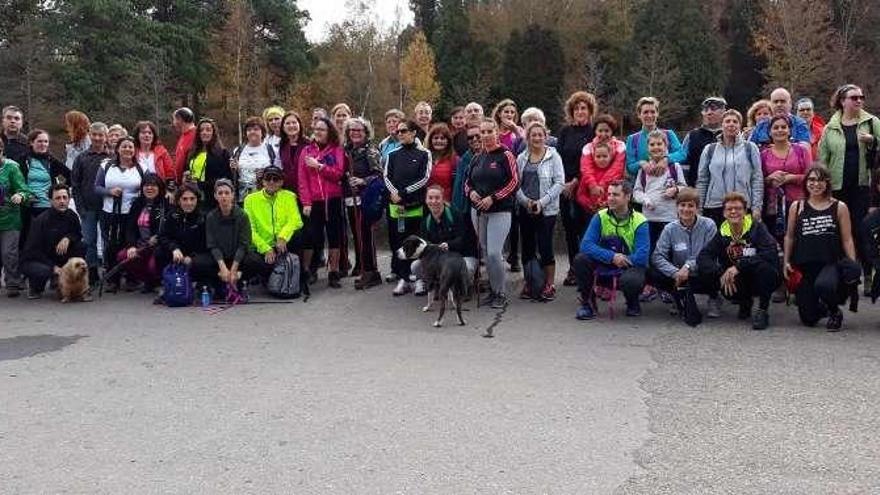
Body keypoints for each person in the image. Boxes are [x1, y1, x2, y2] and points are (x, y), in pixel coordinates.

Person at [784, 166, 858, 331]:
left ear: (827, 183)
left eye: (820, 180)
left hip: (831, 264)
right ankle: (822, 305)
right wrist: (786, 261)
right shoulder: (796, 207)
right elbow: (789, 236)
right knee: (808, 318)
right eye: (811, 179)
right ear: (806, 182)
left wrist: (852, 265)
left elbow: (847, 239)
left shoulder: (839, 207)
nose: (815, 184)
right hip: (806, 266)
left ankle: (834, 312)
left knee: (824, 285)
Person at [818, 84, 880, 273]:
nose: (859, 101)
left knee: (863, 231)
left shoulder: (872, 122)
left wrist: (874, 141)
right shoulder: (830, 128)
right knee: (839, 231)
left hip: (863, 187)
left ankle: (868, 273)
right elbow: (822, 160)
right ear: (842, 101)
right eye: (854, 98)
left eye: (861, 97)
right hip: (837, 187)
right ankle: (844, 273)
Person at [696, 192, 781, 330]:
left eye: (738, 208)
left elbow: (770, 253)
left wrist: (739, 266)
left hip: (762, 275)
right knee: (724, 280)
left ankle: (763, 310)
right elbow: (703, 256)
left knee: (765, 269)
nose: (734, 212)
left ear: (745, 211)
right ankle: (744, 301)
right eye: (729, 209)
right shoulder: (722, 233)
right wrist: (721, 272)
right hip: (740, 278)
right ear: (724, 213)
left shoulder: (757, 228)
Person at [573, 180, 649, 320]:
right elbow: (586, 245)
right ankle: (588, 303)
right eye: (608, 194)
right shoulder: (600, 216)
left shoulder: (640, 220)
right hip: (606, 261)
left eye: (616, 194)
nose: (610, 198)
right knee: (581, 260)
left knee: (632, 280)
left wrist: (623, 260)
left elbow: (642, 256)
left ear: (628, 197)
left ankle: (632, 301)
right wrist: (612, 257)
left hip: (628, 265)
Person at [465, 118, 519, 308]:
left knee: (496, 253)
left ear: (497, 132)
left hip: (500, 210)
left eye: (490, 131)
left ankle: (501, 292)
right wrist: (471, 193)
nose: (486, 136)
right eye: (483, 132)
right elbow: (467, 181)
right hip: (478, 211)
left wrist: (493, 198)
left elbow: (514, 182)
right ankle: (493, 290)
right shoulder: (477, 157)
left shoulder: (506, 155)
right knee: (486, 252)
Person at [650, 187, 721, 319]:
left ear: (697, 208)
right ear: (677, 207)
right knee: (655, 272)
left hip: (701, 271)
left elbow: (709, 254)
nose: (686, 209)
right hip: (679, 275)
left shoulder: (709, 225)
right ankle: (678, 297)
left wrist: (688, 266)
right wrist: (674, 272)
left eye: (690, 205)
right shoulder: (669, 229)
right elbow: (658, 256)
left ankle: (713, 297)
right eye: (682, 205)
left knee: (713, 267)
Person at [515, 122, 564, 300]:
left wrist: (541, 203)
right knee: (527, 248)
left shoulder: (554, 156)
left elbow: (559, 183)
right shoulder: (521, 158)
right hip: (525, 208)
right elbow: (516, 184)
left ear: (546, 136)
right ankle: (530, 282)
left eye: (540, 135)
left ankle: (549, 284)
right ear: (527, 138)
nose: (537, 138)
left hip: (547, 210)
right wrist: (526, 202)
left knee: (545, 248)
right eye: (533, 135)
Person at [298, 117, 346, 288]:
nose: (318, 132)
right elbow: (302, 179)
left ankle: (333, 271)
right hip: (314, 201)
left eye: (322, 129)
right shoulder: (306, 151)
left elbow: (338, 174)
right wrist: (306, 202)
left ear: (329, 131)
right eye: (316, 128)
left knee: (334, 236)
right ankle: (308, 270)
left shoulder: (336, 150)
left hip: (332, 199)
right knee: (311, 236)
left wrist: (319, 166)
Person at [385, 120, 431, 295]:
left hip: (416, 206)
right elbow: (386, 176)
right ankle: (404, 279)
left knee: (417, 244)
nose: (400, 134)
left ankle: (419, 279)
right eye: (398, 132)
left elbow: (424, 178)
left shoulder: (424, 154)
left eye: (403, 131)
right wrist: (394, 193)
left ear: (413, 132)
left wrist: (403, 193)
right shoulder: (392, 154)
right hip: (397, 208)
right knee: (399, 244)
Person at [556, 91, 598, 285]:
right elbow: (558, 158)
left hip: (587, 188)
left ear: (590, 111)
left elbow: (595, 162)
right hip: (565, 188)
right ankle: (573, 268)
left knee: (587, 230)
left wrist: (576, 181)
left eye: (584, 108)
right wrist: (564, 182)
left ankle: (589, 269)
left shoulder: (594, 132)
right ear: (571, 112)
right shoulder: (565, 132)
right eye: (576, 108)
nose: (580, 111)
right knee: (570, 230)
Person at [195, 178, 264, 294]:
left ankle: (240, 278)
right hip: (219, 259)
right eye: (220, 193)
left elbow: (243, 245)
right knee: (198, 262)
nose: (224, 196)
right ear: (215, 196)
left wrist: (234, 269)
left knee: (256, 261)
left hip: (238, 258)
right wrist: (222, 268)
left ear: (232, 195)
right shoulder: (211, 217)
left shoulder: (242, 216)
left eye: (227, 193)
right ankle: (219, 278)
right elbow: (212, 245)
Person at [696, 109, 763, 225]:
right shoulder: (709, 149)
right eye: (727, 121)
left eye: (735, 121)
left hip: (742, 206)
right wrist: (699, 208)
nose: (731, 124)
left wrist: (757, 207)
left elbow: (757, 179)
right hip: (714, 206)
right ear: (722, 125)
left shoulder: (750, 148)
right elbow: (702, 180)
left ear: (740, 125)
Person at [94, 136, 143, 293]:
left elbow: (148, 186)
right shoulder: (106, 165)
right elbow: (96, 187)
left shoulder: (141, 167)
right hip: (110, 212)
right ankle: (112, 279)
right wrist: (109, 192)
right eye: (124, 146)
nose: (127, 149)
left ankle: (131, 278)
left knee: (130, 244)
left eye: (130, 146)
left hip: (131, 213)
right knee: (110, 246)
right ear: (118, 149)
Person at [20, 184, 87, 299]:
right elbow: (33, 251)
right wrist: (53, 267)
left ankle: (72, 286)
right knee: (43, 270)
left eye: (65, 197)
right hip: (38, 258)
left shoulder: (72, 216)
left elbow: (78, 234)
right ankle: (35, 287)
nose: (62, 201)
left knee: (81, 247)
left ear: (69, 199)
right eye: (57, 198)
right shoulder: (41, 220)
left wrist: (68, 238)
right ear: (50, 200)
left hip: (59, 255)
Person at [242, 165, 305, 283]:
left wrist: (283, 237)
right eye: (268, 178)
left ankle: (294, 273)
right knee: (248, 259)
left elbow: (296, 220)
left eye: (275, 179)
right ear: (263, 181)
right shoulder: (250, 200)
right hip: (263, 247)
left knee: (299, 234)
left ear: (281, 182)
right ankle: (268, 275)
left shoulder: (289, 196)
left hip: (283, 245)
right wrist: (266, 249)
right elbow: (249, 229)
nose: (271, 182)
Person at [343, 117, 383, 290]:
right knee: (357, 234)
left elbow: (379, 174)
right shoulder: (347, 149)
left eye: (359, 130)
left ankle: (372, 271)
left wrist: (362, 180)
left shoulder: (370, 150)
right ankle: (363, 268)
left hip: (366, 198)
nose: (355, 133)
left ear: (366, 132)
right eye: (352, 130)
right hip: (350, 198)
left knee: (366, 235)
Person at [633, 130, 687, 251]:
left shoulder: (674, 167)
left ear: (665, 146)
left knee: (669, 249)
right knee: (651, 249)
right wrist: (645, 199)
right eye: (652, 144)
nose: (656, 147)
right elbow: (636, 192)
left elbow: (684, 187)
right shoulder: (644, 170)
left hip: (670, 217)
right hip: (649, 218)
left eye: (659, 144)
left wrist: (675, 189)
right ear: (647, 148)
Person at [71, 122, 111, 283]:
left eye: (101, 135)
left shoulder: (111, 158)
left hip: (107, 206)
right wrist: (80, 207)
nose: (97, 138)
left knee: (108, 240)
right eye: (94, 134)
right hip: (87, 207)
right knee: (89, 241)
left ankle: (109, 270)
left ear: (105, 137)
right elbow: (75, 184)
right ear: (89, 135)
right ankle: (92, 270)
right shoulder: (81, 158)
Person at [760, 115, 811, 239]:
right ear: (770, 132)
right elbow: (759, 181)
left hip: (799, 204)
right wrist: (770, 178)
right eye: (775, 127)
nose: (780, 130)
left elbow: (811, 178)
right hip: (774, 208)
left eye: (784, 127)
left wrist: (791, 178)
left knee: (799, 239)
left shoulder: (801, 151)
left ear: (789, 130)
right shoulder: (763, 155)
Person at [415, 184, 478, 284]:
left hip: (463, 256)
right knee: (415, 267)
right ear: (426, 200)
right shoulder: (425, 222)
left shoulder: (456, 215)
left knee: (468, 269)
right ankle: (440, 283)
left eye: (437, 198)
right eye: (430, 198)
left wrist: (449, 245)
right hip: (440, 258)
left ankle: (461, 284)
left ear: (443, 199)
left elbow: (464, 240)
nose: (434, 201)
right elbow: (425, 245)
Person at [117, 174, 169, 292]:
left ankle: (157, 280)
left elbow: (169, 228)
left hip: (157, 247)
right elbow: (130, 228)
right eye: (146, 185)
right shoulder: (137, 204)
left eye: (153, 185)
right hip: (141, 246)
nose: (149, 188)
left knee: (153, 265)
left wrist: (157, 238)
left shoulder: (165, 205)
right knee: (123, 256)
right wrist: (131, 246)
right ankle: (146, 281)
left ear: (160, 187)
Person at [157, 183, 210, 291]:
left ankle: (200, 283)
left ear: (197, 199)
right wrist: (174, 248)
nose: (188, 203)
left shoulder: (205, 217)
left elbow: (208, 244)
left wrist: (192, 257)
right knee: (159, 252)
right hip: (178, 254)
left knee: (204, 262)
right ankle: (167, 283)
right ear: (179, 200)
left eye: (192, 199)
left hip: (198, 256)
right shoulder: (172, 215)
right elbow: (163, 237)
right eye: (184, 199)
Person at [576, 114, 626, 218]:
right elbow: (586, 169)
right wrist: (593, 186)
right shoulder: (588, 148)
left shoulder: (620, 146)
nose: (603, 134)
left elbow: (617, 169)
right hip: (592, 199)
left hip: (612, 199)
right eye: (600, 131)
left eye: (607, 131)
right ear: (595, 131)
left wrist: (601, 186)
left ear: (612, 131)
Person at [0, 138, 32, 297]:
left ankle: (12, 282)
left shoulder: (11, 167)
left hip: (9, 218)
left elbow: (25, 190)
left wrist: (20, 195)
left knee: (8, 253)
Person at [625, 97, 683, 178]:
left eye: (652, 112)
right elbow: (629, 166)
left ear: (657, 113)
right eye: (645, 112)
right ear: (639, 115)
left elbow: (681, 154)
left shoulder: (669, 134)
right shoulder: (632, 139)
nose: (649, 115)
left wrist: (666, 159)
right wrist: (641, 163)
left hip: (668, 185)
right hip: (643, 186)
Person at [677, 97, 726, 186]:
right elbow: (682, 158)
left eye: (713, 109)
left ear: (723, 112)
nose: (709, 112)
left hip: (725, 188)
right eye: (706, 110)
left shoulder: (731, 135)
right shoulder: (692, 135)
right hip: (697, 188)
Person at [185, 118, 232, 210]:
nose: (204, 132)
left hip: (212, 199)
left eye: (208, 130)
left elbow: (225, 178)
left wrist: (200, 184)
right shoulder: (192, 153)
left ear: (213, 133)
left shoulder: (222, 153)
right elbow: (186, 169)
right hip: (192, 197)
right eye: (201, 130)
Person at [22, 129, 68, 222]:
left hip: (48, 206)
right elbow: (17, 181)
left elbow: (71, 176)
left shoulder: (51, 161)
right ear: (31, 142)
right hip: (28, 207)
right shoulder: (23, 159)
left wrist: (59, 191)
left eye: (46, 141)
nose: (43, 144)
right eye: (39, 141)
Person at [230, 116, 277, 201]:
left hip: (264, 192)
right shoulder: (238, 150)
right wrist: (233, 168)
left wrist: (265, 173)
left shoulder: (271, 150)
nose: (252, 132)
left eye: (256, 129)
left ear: (262, 132)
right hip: (242, 193)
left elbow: (277, 171)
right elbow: (234, 174)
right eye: (249, 130)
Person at [451, 121, 482, 217]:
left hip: (492, 205)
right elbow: (459, 186)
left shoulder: (495, 156)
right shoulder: (464, 160)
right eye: (470, 137)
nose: (474, 139)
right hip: (468, 209)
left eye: (478, 136)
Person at [426, 123, 458, 203]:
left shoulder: (455, 160)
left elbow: (457, 186)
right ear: (430, 140)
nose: (439, 141)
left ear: (448, 141)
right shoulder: (425, 158)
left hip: (447, 204)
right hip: (427, 203)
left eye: (442, 138)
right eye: (436, 138)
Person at [278, 111, 309, 194]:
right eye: (287, 123)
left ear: (299, 125)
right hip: (287, 191)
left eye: (294, 122)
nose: (291, 125)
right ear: (283, 127)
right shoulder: (282, 145)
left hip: (306, 191)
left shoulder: (308, 144)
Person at [172, 107, 197, 184]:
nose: (173, 123)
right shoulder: (183, 135)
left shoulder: (196, 136)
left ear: (180, 120)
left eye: (174, 120)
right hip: (180, 183)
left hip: (189, 183)